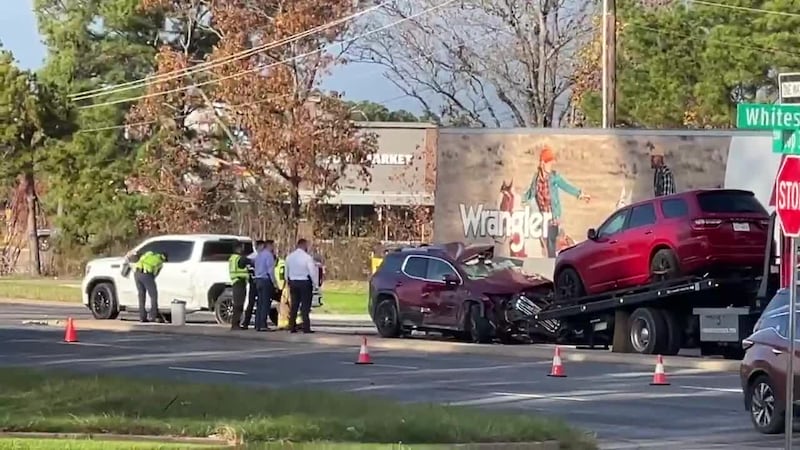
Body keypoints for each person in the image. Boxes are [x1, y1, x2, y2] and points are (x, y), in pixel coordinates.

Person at [523, 146, 590, 258]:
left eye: (551, 163)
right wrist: (521, 199)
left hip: (553, 216)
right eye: (549, 163)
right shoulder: (536, 179)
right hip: (541, 217)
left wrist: (579, 194)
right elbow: (530, 193)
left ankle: (552, 262)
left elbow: (566, 186)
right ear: (542, 163)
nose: (551, 165)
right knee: (541, 241)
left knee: (550, 239)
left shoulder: (554, 177)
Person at [285, 238, 319, 333]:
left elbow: (286, 271)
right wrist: (316, 284)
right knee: (305, 306)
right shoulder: (307, 258)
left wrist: (288, 280)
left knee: (294, 305)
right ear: (304, 245)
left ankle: (292, 326)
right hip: (304, 282)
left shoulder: (289, 257)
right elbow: (312, 272)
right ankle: (306, 327)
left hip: (293, 282)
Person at [129, 249, 168, 323]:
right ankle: (153, 315)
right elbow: (154, 274)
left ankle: (142, 317)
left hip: (137, 273)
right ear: (164, 259)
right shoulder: (160, 263)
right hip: (146, 274)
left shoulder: (149, 253)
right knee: (153, 295)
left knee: (141, 295)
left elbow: (140, 258)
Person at [251, 239, 276, 332]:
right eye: (273, 246)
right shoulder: (269, 255)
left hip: (258, 280)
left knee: (260, 303)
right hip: (265, 280)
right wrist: (274, 283)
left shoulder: (259, 255)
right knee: (265, 303)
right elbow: (270, 271)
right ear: (269, 246)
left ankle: (257, 324)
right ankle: (263, 324)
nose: (273, 248)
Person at [228, 242, 252, 331]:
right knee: (238, 304)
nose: (242, 250)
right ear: (238, 249)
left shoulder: (232, 258)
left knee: (237, 303)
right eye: (241, 248)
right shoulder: (239, 258)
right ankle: (235, 324)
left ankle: (235, 324)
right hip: (239, 282)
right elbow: (247, 261)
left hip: (236, 282)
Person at [241, 240, 263, 330]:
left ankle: (247, 323)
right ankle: (251, 323)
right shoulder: (256, 257)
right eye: (262, 246)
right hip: (255, 282)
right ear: (258, 246)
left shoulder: (250, 257)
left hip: (253, 281)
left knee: (253, 303)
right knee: (255, 303)